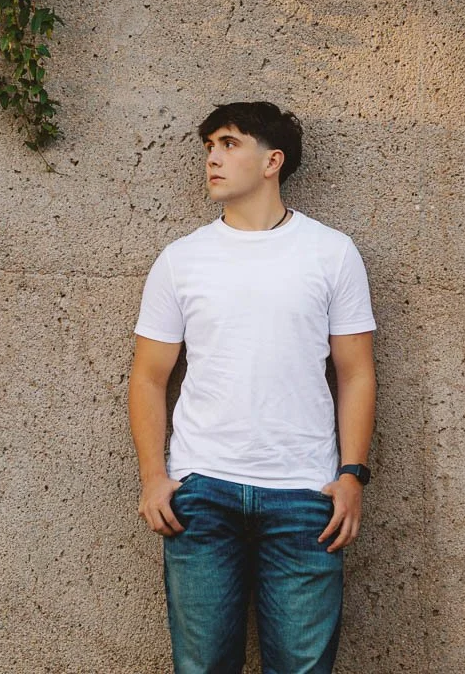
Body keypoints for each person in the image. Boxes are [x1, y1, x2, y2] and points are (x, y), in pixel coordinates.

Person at [128, 101, 377, 674]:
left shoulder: (331, 253)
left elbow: (356, 372)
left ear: (273, 161)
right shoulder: (182, 260)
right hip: (203, 495)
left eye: (229, 144)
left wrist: (352, 475)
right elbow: (148, 377)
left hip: (305, 496)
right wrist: (153, 478)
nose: (212, 158)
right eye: (209, 147)